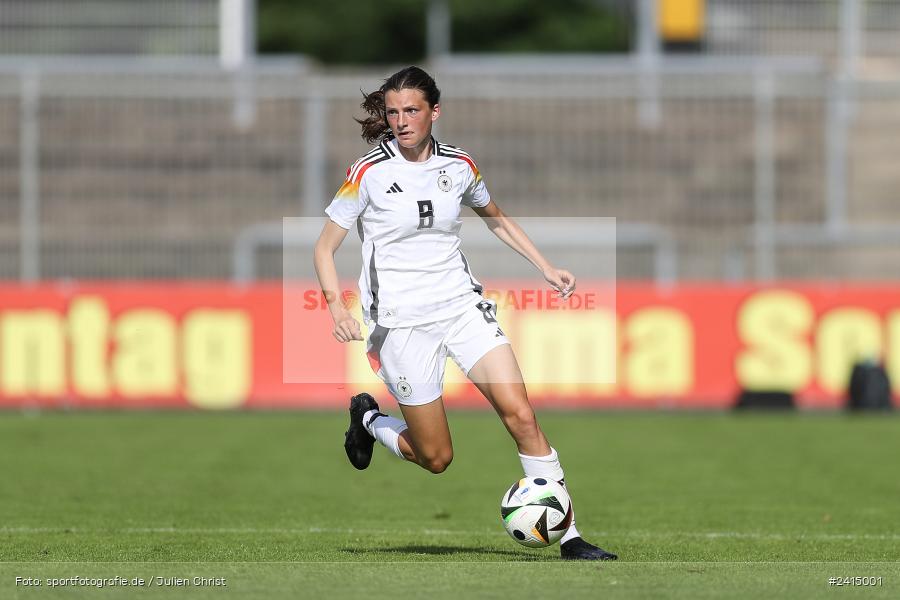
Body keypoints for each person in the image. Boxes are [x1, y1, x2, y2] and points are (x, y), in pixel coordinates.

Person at [313, 66, 616, 561]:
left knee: (521, 415)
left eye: (412, 110)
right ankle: (368, 419)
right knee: (435, 457)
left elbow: (494, 218)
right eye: (393, 112)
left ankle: (573, 536)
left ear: (435, 111)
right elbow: (324, 249)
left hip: (461, 308)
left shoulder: (460, 165)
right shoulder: (369, 172)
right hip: (401, 324)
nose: (401, 121)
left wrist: (545, 265)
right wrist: (334, 307)